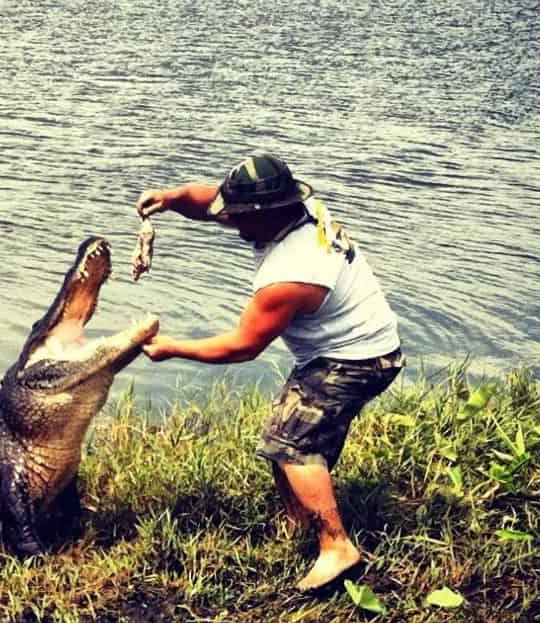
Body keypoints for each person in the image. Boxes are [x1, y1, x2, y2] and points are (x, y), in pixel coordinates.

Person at [136, 153, 404, 591]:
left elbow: (243, 346)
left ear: (265, 214)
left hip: (356, 361)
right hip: (361, 344)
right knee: (285, 432)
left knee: (291, 443)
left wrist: (172, 348)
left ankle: (337, 546)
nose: (233, 226)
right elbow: (214, 204)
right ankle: (298, 522)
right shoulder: (303, 211)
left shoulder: (290, 274)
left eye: (241, 218)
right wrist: (173, 198)